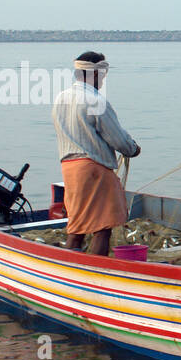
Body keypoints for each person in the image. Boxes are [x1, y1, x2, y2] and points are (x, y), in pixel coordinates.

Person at [51, 51, 140, 257]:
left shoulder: (61, 98)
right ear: (96, 74)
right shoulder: (95, 101)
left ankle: (70, 266)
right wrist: (133, 149)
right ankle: (96, 272)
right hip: (93, 168)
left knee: (77, 224)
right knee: (103, 226)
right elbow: (118, 139)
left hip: (69, 168)